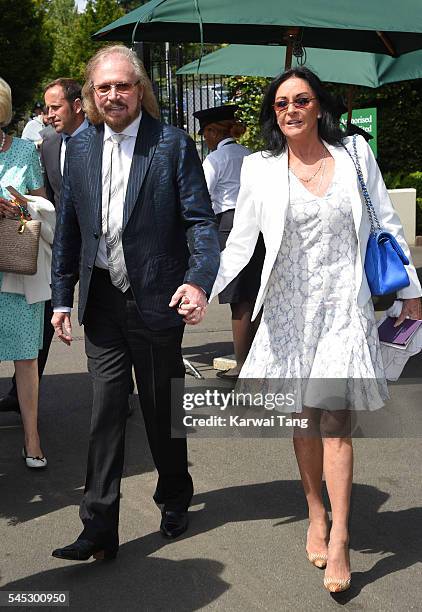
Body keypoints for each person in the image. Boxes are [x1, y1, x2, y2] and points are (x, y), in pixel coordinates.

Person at [210, 67, 422, 593]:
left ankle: (343, 538)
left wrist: (411, 289)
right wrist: (202, 289)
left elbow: (386, 225)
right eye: (281, 103)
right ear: (273, 113)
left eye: (301, 100)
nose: (291, 111)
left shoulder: (353, 154)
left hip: (342, 307)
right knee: (303, 419)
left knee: (334, 418)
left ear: (318, 106)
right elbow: (240, 242)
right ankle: (315, 512)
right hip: (287, 311)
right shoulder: (260, 169)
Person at [50, 44, 219, 562]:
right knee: (104, 413)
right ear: (91, 96)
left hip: (157, 298)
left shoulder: (169, 143)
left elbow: (200, 221)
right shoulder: (76, 148)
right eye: (103, 87)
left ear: (139, 89)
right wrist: (61, 298)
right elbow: (68, 232)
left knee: (157, 407)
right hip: (101, 300)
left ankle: (173, 494)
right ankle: (99, 525)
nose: (114, 95)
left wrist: (197, 281)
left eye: (123, 85)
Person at [0, 79, 88, 414]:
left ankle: (115, 391)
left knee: (88, 318)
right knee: (47, 319)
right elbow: (49, 195)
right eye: (46, 108)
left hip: (84, 246)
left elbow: (45, 200)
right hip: (48, 243)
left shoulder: (97, 140)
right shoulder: (48, 143)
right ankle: (17, 392)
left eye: (55, 108)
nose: (48, 116)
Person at [0, 78, 56, 468]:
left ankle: (32, 438)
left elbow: (43, 203)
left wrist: (20, 207)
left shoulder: (23, 149)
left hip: (17, 265)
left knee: (26, 357)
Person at [193, 105, 265, 379]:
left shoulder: (215, 160)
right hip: (257, 225)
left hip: (229, 226)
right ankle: (257, 360)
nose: (205, 140)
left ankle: (244, 365)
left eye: (205, 135)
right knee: (256, 296)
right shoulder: (249, 155)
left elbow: (201, 198)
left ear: (213, 131)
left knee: (239, 300)